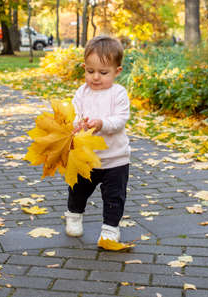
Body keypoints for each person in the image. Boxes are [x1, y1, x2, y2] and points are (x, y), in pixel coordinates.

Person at [64, 36, 130, 248]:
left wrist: (102, 123)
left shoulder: (118, 93)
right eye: (90, 71)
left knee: (114, 197)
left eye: (103, 73)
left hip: (116, 159)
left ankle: (110, 229)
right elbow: (74, 114)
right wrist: (77, 123)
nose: (95, 77)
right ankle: (74, 215)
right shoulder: (82, 93)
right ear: (84, 68)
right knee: (78, 190)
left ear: (116, 71)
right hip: (86, 159)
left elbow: (120, 119)